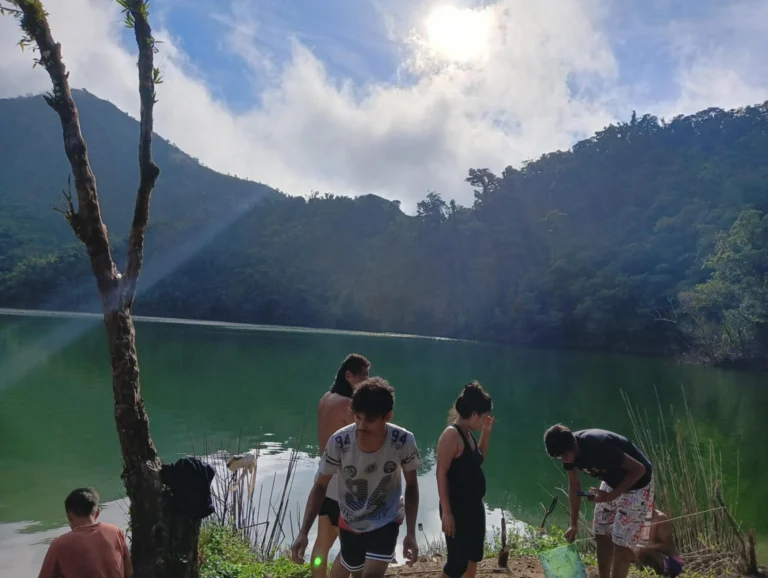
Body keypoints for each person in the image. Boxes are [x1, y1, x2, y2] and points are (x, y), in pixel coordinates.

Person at [292, 377, 422, 578]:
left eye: (369, 420)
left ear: (387, 416)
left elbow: (412, 485)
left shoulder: (403, 441)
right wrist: (303, 532)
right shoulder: (339, 441)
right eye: (357, 417)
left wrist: (411, 533)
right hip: (350, 521)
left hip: (386, 519)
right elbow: (320, 486)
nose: (361, 426)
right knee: (354, 570)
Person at [544, 425, 654, 578]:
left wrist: (611, 496)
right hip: (611, 482)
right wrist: (573, 524)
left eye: (563, 455)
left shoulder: (598, 445)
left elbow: (639, 469)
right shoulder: (567, 451)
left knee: (621, 543)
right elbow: (574, 485)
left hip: (637, 485)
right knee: (600, 532)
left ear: (573, 446)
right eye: (559, 457)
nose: (563, 460)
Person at [313, 354, 371, 578]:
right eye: (363, 376)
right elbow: (363, 441)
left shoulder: (326, 398)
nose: (367, 380)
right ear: (349, 376)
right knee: (353, 547)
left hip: (324, 476)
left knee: (322, 543)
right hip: (343, 483)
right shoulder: (348, 405)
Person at [436, 382, 495, 578]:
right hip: (456, 509)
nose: (485, 421)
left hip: (474, 507)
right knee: (456, 563)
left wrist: (486, 433)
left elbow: (479, 459)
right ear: (474, 414)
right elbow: (441, 473)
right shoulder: (451, 435)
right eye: (484, 417)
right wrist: (446, 512)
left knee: (473, 558)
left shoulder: (469, 434)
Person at [38, 488, 133, 578]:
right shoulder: (115, 532)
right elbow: (129, 572)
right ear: (97, 513)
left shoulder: (59, 545)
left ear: (69, 516)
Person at [633, 509, 685, 577]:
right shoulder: (637, 518)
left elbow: (666, 546)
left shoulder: (660, 518)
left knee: (639, 549)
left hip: (672, 563)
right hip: (652, 559)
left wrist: (644, 547)